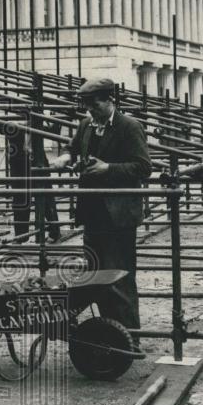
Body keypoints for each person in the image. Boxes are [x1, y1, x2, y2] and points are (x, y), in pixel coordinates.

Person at [48, 77, 152, 329]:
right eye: (87, 106)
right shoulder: (86, 125)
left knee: (120, 277)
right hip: (93, 212)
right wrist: (65, 157)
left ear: (109, 100)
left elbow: (143, 167)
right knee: (97, 274)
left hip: (118, 216)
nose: (90, 111)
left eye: (94, 105)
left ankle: (129, 335)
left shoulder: (130, 126)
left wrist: (108, 168)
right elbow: (72, 148)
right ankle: (109, 331)